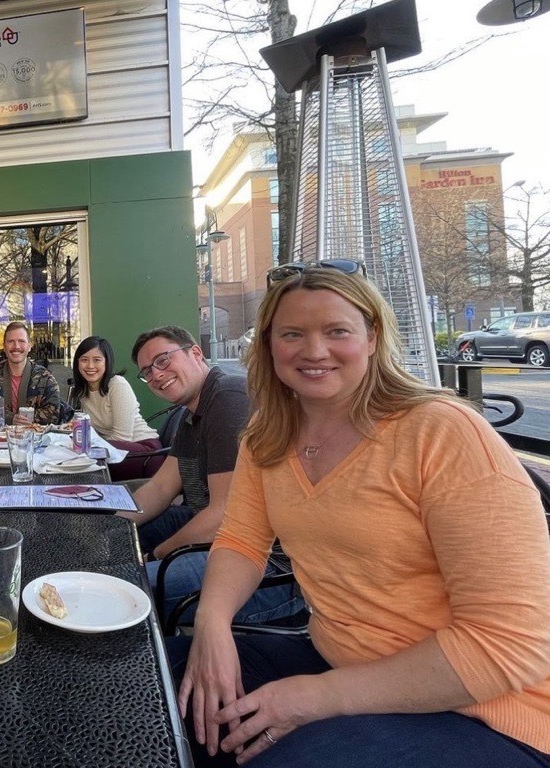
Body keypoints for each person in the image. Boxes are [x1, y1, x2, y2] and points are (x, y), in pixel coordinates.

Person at [177, 261, 550, 768]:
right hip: (340, 659)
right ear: (268, 345)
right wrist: (213, 624)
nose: (314, 351)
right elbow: (242, 540)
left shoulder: (441, 432)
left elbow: (508, 645)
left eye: (337, 331)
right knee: (157, 678)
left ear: (372, 336)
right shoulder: (268, 435)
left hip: (486, 708)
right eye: (292, 334)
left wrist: (317, 697)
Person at [121, 325, 301, 628]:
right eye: (147, 372)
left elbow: (223, 515)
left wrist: (154, 555)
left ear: (195, 353)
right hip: (221, 536)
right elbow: (161, 487)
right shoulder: (192, 413)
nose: (156, 375)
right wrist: (111, 522)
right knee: (120, 542)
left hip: (268, 569)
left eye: (162, 361)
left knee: (128, 587)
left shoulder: (228, 397)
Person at [68, 335, 162, 480]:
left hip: (144, 452)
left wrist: (85, 445)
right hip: (114, 449)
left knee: (79, 459)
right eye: (84, 360)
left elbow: (122, 437)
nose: (90, 366)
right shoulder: (83, 391)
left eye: (97, 360)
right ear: (77, 363)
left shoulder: (117, 384)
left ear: (107, 362)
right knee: (72, 453)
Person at [0, 321, 61, 425]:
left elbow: (54, 414)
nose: (16, 346)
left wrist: (24, 418)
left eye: (21, 341)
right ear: (4, 347)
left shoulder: (45, 377)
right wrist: (10, 418)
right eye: (11, 341)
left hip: (35, 437)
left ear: (29, 346)